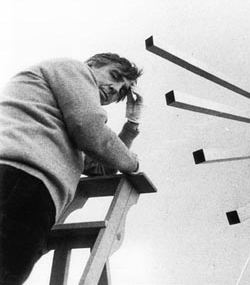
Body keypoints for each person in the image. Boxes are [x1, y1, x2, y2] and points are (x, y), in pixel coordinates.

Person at [0, 53, 144, 284]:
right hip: (23, 180)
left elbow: (101, 167)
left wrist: (132, 125)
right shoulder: (75, 70)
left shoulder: (61, 120)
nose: (114, 89)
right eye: (114, 76)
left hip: (28, 186)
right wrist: (133, 163)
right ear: (92, 65)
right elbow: (92, 133)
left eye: (121, 91)